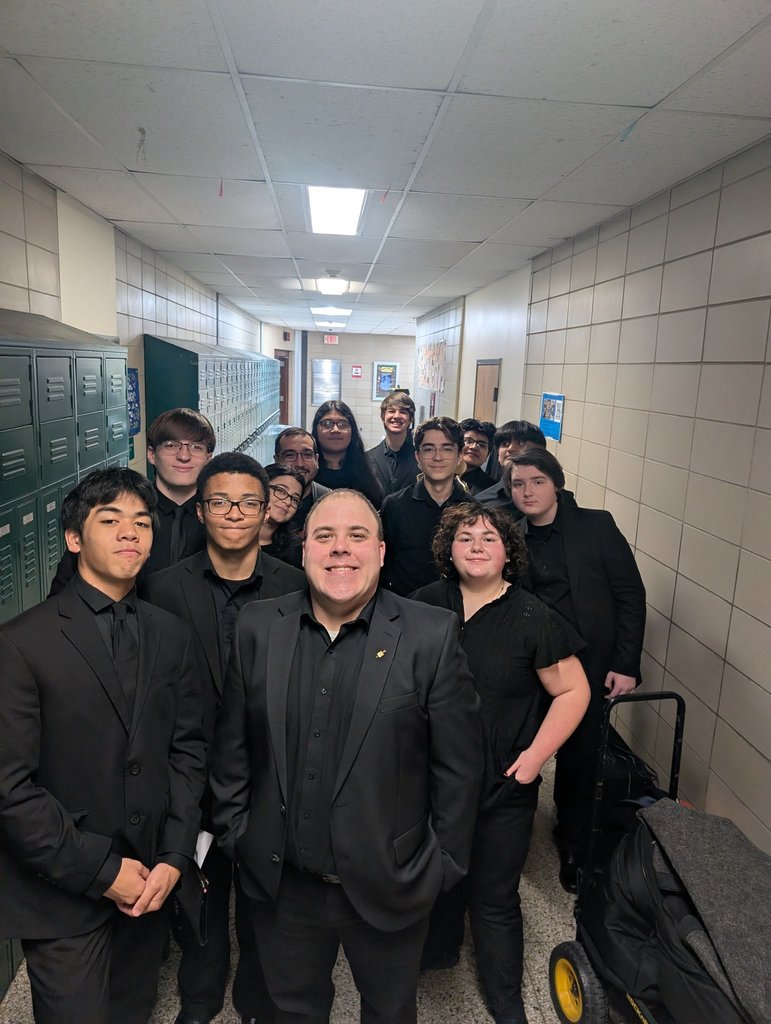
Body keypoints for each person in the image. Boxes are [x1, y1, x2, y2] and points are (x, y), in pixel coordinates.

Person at [209, 489, 482, 1024]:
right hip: (283, 886)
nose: (341, 550)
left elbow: (459, 768)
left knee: (388, 1010)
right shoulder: (258, 627)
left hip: (391, 883)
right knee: (291, 1010)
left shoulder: (430, 634)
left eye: (357, 536)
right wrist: (237, 833)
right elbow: (232, 749)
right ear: (304, 550)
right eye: (325, 536)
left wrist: (439, 867)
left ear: (381, 552)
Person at [0, 468, 206, 1024]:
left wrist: (175, 854)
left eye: (142, 522)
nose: (130, 533)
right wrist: (102, 871)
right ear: (73, 538)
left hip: (150, 882)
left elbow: (187, 752)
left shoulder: (170, 633)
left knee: (133, 1009)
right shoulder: (21, 644)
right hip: (64, 888)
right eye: (109, 520)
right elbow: (10, 790)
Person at [141, 453, 305, 1024]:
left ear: (267, 511)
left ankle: (256, 996)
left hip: (269, 773)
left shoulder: (298, 587)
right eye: (220, 502)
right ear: (202, 511)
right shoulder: (160, 588)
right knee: (197, 893)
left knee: (267, 898)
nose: (234, 513)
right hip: (186, 772)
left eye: (248, 502)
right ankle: (202, 994)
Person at [412, 502, 589, 1024]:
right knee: (434, 879)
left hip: (501, 785)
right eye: (465, 538)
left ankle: (505, 998)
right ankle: (433, 956)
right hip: (429, 782)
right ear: (449, 549)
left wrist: (535, 758)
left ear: (508, 552)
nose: (477, 547)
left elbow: (574, 691)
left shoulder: (533, 616)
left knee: (493, 897)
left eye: (489, 538)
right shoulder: (423, 606)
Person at [508, 448, 646, 892]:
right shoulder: (509, 534)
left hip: (586, 660)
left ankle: (573, 843)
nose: (527, 492)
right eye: (517, 484)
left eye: (537, 482)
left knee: (582, 755)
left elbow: (630, 594)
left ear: (556, 484)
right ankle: (511, 837)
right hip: (531, 660)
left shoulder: (596, 526)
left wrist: (626, 664)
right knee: (525, 744)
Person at [49, 407, 215, 593]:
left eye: (196, 447)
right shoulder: (113, 509)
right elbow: (63, 595)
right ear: (151, 454)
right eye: (171, 445)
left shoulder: (222, 517)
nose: (184, 456)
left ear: (208, 458)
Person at [380, 416, 468, 596]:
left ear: (459, 456)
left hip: (455, 611)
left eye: (447, 449)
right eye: (429, 449)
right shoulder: (395, 505)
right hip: (403, 609)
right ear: (417, 457)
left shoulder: (473, 511)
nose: (437, 457)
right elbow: (383, 563)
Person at [311, 400, 384, 508]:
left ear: (352, 430)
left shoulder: (367, 474)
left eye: (342, 424)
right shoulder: (308, 472)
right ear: (316, 429)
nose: (335, 430)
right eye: (327, 424)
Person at [474, 420, 548, 511]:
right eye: (505, 444)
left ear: (540, 452)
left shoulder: (556, 499)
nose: (510, 449)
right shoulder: (482, 502)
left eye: (521, 443)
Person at [273, 427, 330, 532]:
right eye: (290, 455)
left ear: (316, 460)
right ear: (276, 460)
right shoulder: (262, 498)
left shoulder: (329, 500)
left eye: (307, 455)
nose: (300, 464)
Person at [366, 391, 419, 497]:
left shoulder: (421, 459)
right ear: (383, 417)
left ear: (411, 419)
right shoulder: (366, 459)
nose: (397, 416)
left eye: (403, 412)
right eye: (391, 411)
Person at [260, 463, 306, 568]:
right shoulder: (231, 534)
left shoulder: (297, 550)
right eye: (281, 491)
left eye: (295, 499)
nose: (288, 502)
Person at [458, 418, 496, 495]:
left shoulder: (493, 491)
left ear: (488, 454)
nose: (474, 447)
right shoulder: (435, 476)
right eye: (468, 441)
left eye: (482, 445)